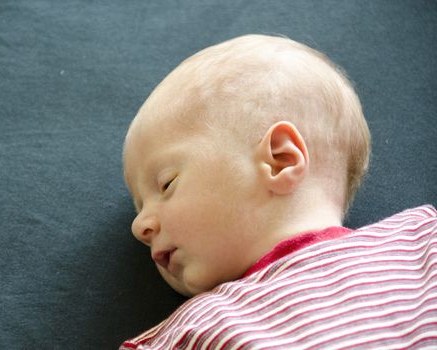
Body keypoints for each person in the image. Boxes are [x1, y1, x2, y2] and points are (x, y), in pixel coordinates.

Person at [120, 35, 437, 349]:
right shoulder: (189, 332)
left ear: (280, 161)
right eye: (140, 207)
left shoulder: (421, 241)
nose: (140, 228)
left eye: (166, 184)